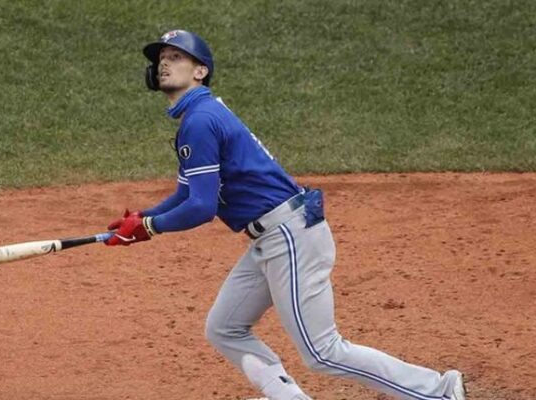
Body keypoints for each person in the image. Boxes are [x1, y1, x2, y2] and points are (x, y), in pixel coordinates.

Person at [105, 29, 467, 400]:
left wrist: (150, 226)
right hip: (272, 236)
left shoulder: (200, 121)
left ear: (200, 72)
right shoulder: (201, 115)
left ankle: (438, 391)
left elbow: (201, 207)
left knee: (322, 351)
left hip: (289, 235)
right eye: (160, 58)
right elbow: (186, 193)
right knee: (225, 327)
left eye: (176, 56)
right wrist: (143, 219)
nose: (164, 63)